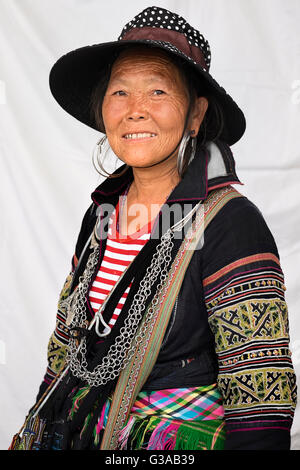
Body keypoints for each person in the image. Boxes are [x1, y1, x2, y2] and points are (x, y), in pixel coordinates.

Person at [10, 6, 297, 451]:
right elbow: (67, 352)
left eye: (158, 91)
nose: (136, 110)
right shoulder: (102, 215)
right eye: (120, 91)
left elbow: (261, 400)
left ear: (196, 114)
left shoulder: (230, 223)